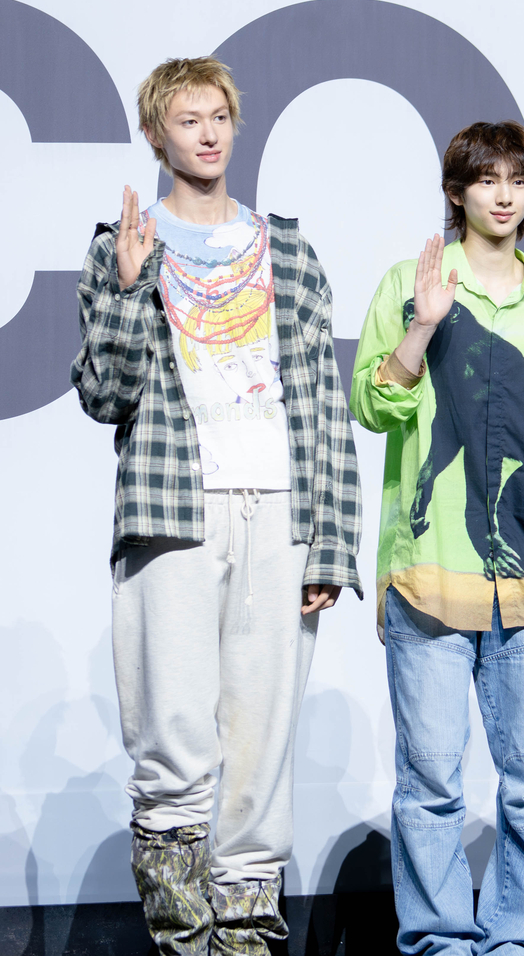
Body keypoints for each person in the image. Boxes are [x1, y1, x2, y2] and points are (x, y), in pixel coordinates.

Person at [70, 56, 361, 955]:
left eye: (218, 116)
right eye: (186, 118)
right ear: (155, 136)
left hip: (277, 510)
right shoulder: (126, 244)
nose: (206, 132)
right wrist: (126, 287)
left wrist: (331, 544)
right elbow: (103, 395)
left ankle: (245, 941)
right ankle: (181, 939)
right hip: (172, 513)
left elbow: (324, 401)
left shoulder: (287, 249)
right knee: (174, 739)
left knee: (262, 743)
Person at [351, 120, 524, 956]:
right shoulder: (408, 282)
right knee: (432, 782)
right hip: (428, 569)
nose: (503, 193)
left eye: (517, 179)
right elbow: (372, 406)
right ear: (457, 192)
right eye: (485, 179)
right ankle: (442, 941)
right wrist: (421, 328)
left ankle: (520, 941)